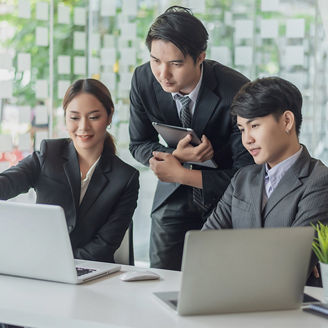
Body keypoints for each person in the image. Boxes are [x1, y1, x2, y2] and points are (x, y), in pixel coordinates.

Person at [129, 6, 253, 270]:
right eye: (155, 61)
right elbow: (138, 144)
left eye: (175, 63)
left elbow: (248, 174)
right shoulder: (143, 79)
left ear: (200, 58)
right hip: (173, 197)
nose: (163, 74)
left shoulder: (237, 91)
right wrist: (175, 156)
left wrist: (182, 173)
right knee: (160, 279)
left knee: (219, 285)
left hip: (226, 199)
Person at [202, 76, 328, 283]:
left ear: (287, 121)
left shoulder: (319, 181)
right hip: (234, 296)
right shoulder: (243, 177)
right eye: (242, 129)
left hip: (289, 308)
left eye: (255, 126)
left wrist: (231, 250)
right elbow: (205, 246)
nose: (247, 139)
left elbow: (290, 265)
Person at [0, 79, 139, 263]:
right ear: (65, 117)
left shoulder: (125, 178)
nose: (83, 127)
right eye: (74, 117)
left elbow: (104, 245)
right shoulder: (49, 154)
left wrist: (58, 263)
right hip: (40, 267)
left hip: (92, 273)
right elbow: (7, 184)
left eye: (94, 117)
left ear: (109, 116)